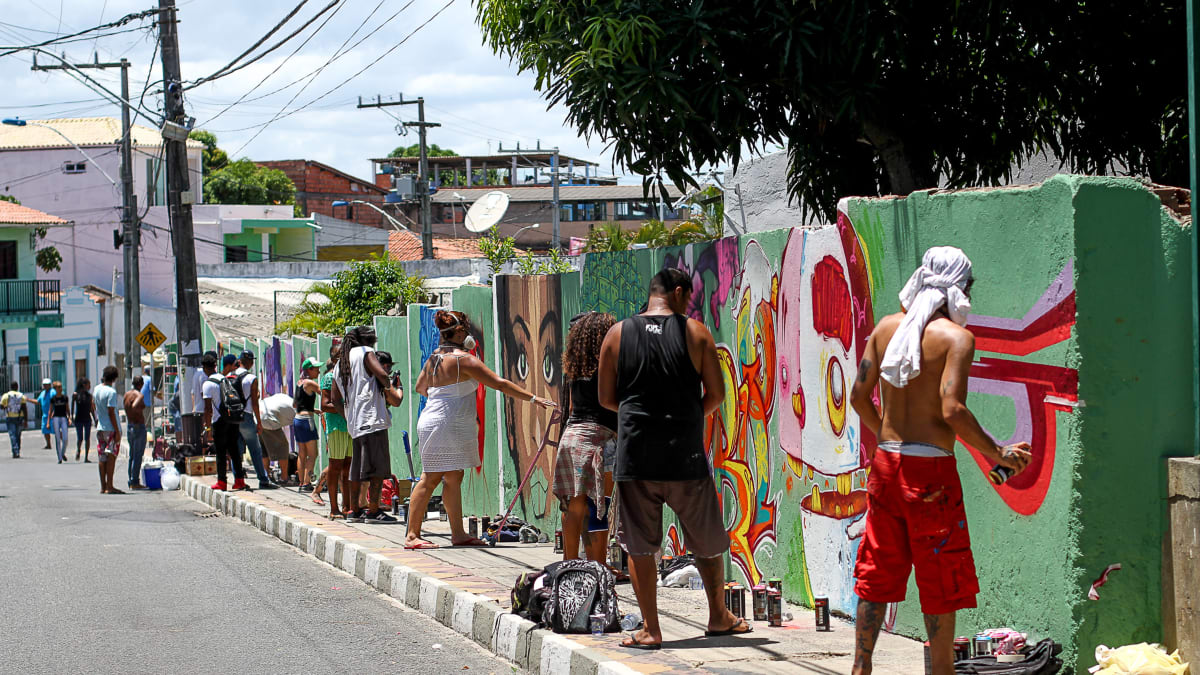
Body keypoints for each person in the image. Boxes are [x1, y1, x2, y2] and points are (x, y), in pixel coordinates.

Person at [848, 247, 1033, 675]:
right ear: (961, 289)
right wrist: (999, 453)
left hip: (886, 466)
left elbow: (858, 398)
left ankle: (861, 667)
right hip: (929, 474)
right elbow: (952, 410)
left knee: (877, 570)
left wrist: (888, 438)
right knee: (941, 578)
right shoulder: (956, 338)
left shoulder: (884, 330)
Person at [597, 268, 749, 649]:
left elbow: (605, 398)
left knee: (640, 545)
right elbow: (716, 394)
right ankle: (718, 616)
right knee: (706, 541)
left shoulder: (617, 334)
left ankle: (651, 628)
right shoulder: (696, 333)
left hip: (636, 456)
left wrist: (637, 415)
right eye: (689, 296)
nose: (690, 303)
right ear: (678, 293)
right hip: (685, 454)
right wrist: (688, 416)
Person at [407, 310, 554, 549]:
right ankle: (412, 535)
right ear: (458, 332)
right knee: (431, 477)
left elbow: (420, 387)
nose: (469, 335)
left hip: (437, 420)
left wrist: (446, 396)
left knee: (454, 476)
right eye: (466, 331)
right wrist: (533, 398)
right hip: (446, 423)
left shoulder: (434, 358)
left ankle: (458, 533)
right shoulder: (463, 360)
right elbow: (499, 383)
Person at [553, 311, 620, 569]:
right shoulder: (608, 364)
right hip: (599, 439)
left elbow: (568, 408)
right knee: (598, 507)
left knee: (574, 506)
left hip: (571, 438)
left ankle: (569, 567)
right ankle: (598, 570)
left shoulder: (574, 366)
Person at [330, 326, 403, 524]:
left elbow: (335, 398)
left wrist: (348, 416)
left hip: (355, 423)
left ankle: (354, 511)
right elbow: (380, 373)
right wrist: (391, 387)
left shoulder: (340, 363)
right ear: (368, 341)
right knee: (377, 469)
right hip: (372, 419)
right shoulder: (365, 352)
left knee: (358, 469)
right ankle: (373, 511)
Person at [205, 353, 249, 492]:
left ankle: (222, 482)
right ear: (215, 366)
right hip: (231, 418)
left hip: (219, 420)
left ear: (205, 368)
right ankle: (239, 481)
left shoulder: (208, 384)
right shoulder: (224, 379)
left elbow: (207, 409)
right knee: (234, 450)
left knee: (221, 452)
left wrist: (208, 428)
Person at [234, 351, 278, 490]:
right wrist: (259, 422)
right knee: (255, 450)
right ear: (251, 362)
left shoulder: (230, 376)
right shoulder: (251, 378)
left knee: (237, 451)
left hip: (232, 417)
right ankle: (263, 480)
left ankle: (238, 480)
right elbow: (254, 403)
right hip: (246, 416)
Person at [320, 344, 353, 519]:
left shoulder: (351, 376)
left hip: (350, 426)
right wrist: (346, 409)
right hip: (337, 427)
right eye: (340, 355)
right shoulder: (328, 378)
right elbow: (324, 405)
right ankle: (334, 508)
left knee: (348, 467)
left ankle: (347, 505)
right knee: (335, 467)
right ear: (333, 359)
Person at [293, 357, 322, 493]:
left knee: (302, 453)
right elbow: (324, 392)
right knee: (313, 454)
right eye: (316, 369)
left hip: (297, 419)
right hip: (306, 421)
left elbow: (295, 404)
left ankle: (301, 483)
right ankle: (307, 482)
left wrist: (312, 408)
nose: (318, 371)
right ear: (309, 370)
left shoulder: (299, 383)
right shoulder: (310, 383)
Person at [93, 366, 123, 494]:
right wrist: (117, 431)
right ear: (114, 378)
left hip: (100, 427)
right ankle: (110, 486)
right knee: (111, 456)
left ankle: (103, 486)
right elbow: (111, 412)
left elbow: (93, 404)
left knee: (102, 457)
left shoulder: (97, 389)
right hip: (110, 429)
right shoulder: (111, 392)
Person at [259, 391, 296, 483]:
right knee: (283, 447)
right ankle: (284, 477)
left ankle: (266, 475)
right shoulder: (296, 409)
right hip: (269, 419)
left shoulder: (284, 398)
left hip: (258, 416)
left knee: (264, 449)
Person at [123, 376, 147, 488]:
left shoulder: (126, 395)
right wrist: (137, 412)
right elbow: (134, 406)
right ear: (141, 384)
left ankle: (131, 479)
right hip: (138, 426)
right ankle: (135, 481)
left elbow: (127, 407)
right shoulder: (139, 395)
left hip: (130, 426)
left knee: (132, 455)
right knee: (138, 455)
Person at [71, 378, 96, 462]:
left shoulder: (89, 396)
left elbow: (91, 409)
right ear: (84, 385)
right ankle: (78, 449)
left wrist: (95, 418)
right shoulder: (76, 395)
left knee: (87, 438)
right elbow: (72, 405)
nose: (90, 386)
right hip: (79, 418)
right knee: (80, 438)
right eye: (88, 384)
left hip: (87, 419)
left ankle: (86, 457)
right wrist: (71, 416)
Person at [3, 381, 26, 458]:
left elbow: (2, 405)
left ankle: (15, 450)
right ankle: (17, 450)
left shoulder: (6, 396)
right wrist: (25, 420)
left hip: (10, 417)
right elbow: (24, 408)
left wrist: (6, 407)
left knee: (12, 435)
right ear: (17, 387)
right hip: (20, 417)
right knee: (18, 435)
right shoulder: (21, 396)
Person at [49, 381, 70, 464]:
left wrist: (69, 417)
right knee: (57, 438)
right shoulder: (53, 399)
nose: (60, 389)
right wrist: (48, 422)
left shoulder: (65, 398)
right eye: (59, 387)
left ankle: (62, 453)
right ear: (56, 389)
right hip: (56, 418)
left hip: (64, 417)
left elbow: (67, 408)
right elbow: (50, 410)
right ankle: (60, 458)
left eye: (61, 387)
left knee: (65, 438)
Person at [37, 378, 55, 450]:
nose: (45, 386)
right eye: (44, 385)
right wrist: (28, 400)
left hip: (52, 415)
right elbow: (38, 401)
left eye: (46, 385)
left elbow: (56, 403)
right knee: (45, 430)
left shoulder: (53, 392)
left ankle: (63, 441)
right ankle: (48, 444)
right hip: (45, 415)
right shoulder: (43, 393)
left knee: (55, 430)